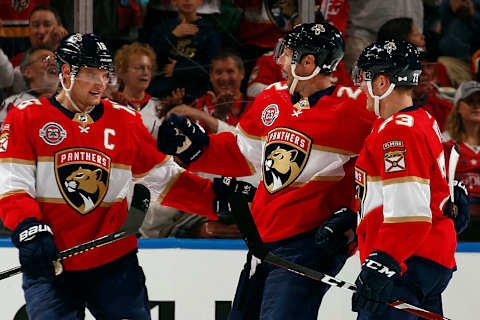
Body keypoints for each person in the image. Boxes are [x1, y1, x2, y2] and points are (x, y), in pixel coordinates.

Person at [157, 22, 375, 319]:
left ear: (309, 62)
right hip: (264, 239)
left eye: (287, 54)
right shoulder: (272, 97)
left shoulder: (356, 107)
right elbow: (243, 153)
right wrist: (195, 148)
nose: (280, 61)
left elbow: (395, 155)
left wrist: (355, 213)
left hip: (310, 242)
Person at [0, 33, 221, 319]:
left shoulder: (125, 121)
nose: (101, 83)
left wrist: (214, 200)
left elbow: (164, 179)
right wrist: (28, 227)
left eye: (105, 74)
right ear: (66, 73)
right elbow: (12, 184)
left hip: (114, 263)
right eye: (91, 74)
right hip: (52, 261)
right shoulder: (26, 116)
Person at [350, 39, 468, 319]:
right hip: (423, 257)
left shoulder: (397, 132)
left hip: (407, 261)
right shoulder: (417, 119)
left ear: (381, 82)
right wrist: (353, 218)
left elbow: (409, 212)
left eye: (365, 78)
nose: (361, 87)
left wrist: (384, 262)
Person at [148, 0, 221, 101]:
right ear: (173, 2)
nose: (187, 0)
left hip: (194, 94)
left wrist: (178, 68)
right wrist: (173, 35)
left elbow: (211, 67)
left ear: (200, 1)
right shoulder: (163, 28)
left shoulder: (209, 32)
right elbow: (150, 58)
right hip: (161, 93)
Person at [169, 50, 253, 134]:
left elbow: (249, 142)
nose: (224, 78)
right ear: (211, 76)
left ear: (242, 73)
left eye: (230, 71)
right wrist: (218, 116)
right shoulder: (199, 105)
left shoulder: (255, 105)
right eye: (218, 72)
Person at [444, 80, 480, 239]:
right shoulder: (445, 142)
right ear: (458, 106)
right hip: (457, 219)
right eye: (470, 101)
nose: (476, 106)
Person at [0, 46, 58, 126]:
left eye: (56, 60)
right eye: (45, 59)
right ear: (27, 72)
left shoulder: (74, 103)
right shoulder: (14, 104)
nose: (53, 63)